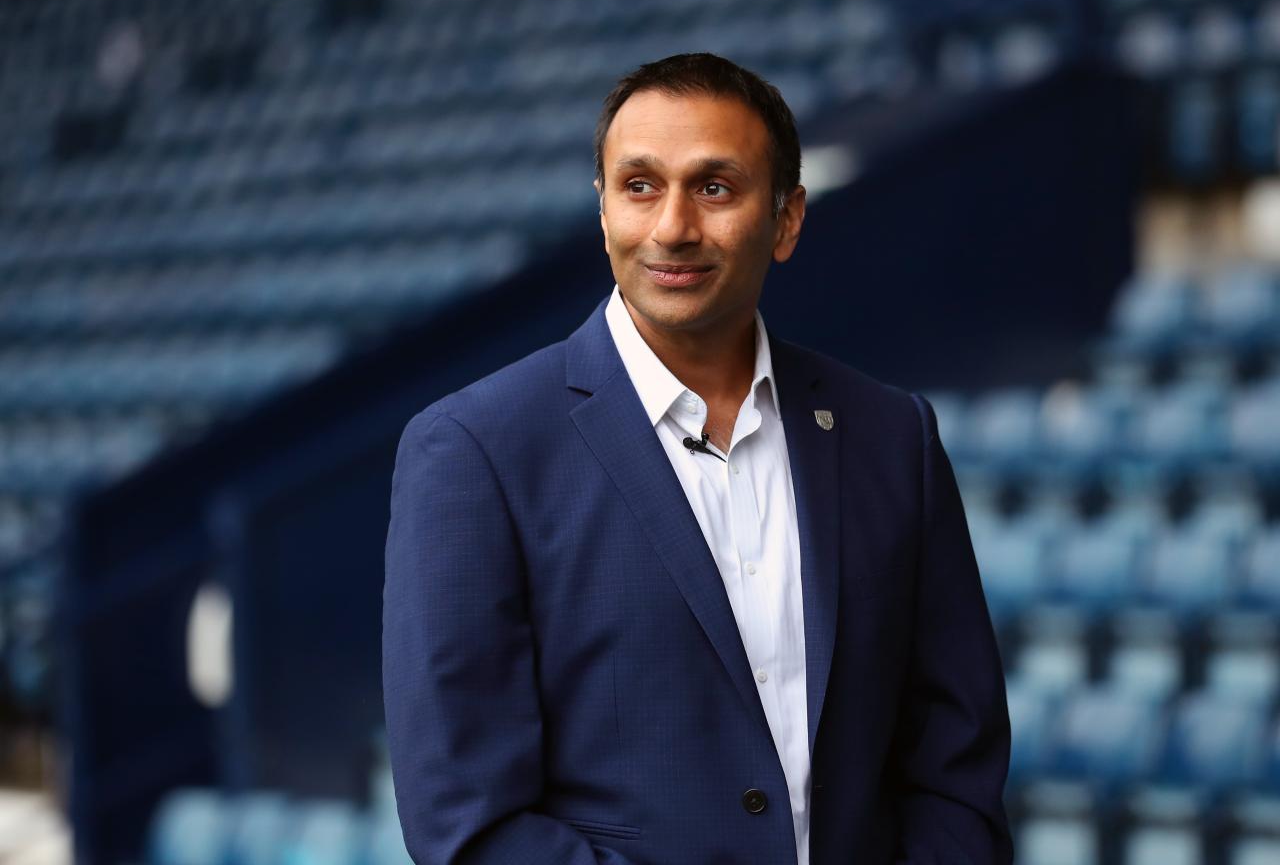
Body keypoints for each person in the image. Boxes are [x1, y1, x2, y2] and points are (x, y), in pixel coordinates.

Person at [383, 52, 1013, 865]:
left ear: (787, 219)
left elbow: (955, 769)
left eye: (715, 187)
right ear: (603, 210)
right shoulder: (474, 452)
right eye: (640, 186)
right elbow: (469, 824)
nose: (673, 227)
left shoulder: (894, 438)